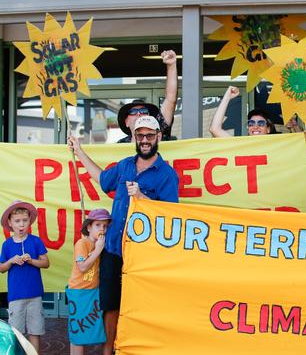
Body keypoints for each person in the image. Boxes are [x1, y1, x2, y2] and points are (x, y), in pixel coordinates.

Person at [68, 116, 179, 355]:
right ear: (135, 139)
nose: (145, 140)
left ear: (159, 137)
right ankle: (109, 350)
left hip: (143, 256)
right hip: (113, 249)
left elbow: (171, 216)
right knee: (110, 303)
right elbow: (102, 179)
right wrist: (79, 151)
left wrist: (143, 199)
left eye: (150, 135)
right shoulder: (125, 165)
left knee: (139, 305)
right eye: (140, 136)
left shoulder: (167, 175)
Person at [0, 201, 49, 353]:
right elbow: (2, 268)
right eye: (17, 221)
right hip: (16, 296)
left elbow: (46, 263)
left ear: (29, 221)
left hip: (35, 295)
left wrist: (31, 260)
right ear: (10, 223)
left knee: (35, 332)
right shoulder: (7, 245)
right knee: (17, 333)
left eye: (25, 220)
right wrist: (11, 261)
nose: (21, 224)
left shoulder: (35, 241)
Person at [68, 208, 110, 355]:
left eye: (105, 226)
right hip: (79, 292)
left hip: (91, 292)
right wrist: (98, 250)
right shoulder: (82, 243)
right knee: (78, 332)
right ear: (89, 227)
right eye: (98, 225)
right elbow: (83, 266)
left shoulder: (100, 244)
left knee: (82, 332)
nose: (102, 229)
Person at [116, 50, 178, 143]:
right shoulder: (119, 146)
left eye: (144, 111)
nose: (139, 114)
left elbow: (170, 98)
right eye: (133, 112)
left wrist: (171, 65)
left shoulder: (158, 133)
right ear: (126, 122)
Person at [209, 86, 277, 137]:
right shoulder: (242, 145)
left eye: (261, 123)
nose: (255, 126)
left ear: (268, 129)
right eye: (251, 123)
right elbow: (214, 129)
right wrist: (227, 97)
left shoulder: (276, 146)